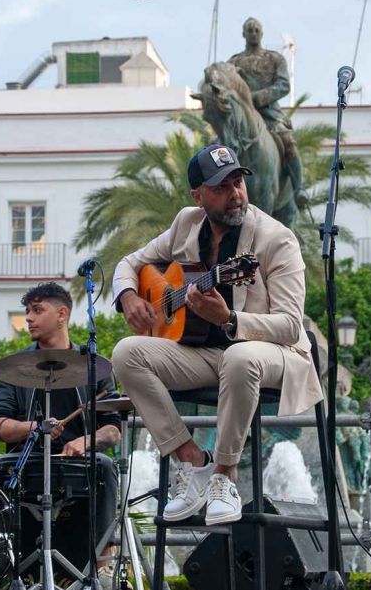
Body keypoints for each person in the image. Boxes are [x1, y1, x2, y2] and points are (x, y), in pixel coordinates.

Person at [109, 143, 322, 525]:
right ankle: (193, 460)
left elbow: (291, 325)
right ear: (198, 196)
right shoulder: (186, 224)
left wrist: (230, 319)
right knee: (126, 353)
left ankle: (225, 477)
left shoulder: (276, 239)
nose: (235, 193)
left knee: (240, 356)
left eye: (238, 182)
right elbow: (129, 263)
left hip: (276, 354)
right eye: (222, 187)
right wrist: (128, 296)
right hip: (208, 356)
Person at [0, 282, 122, 580]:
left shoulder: (94, 366)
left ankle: (103, 566)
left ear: (62, 314)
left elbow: (113, 431)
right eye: (27, 311)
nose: (29, 318)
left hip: (78, 461)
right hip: (27, 462)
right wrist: (35, 428)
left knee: (107, 467)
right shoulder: (15, 368)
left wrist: (87, 441)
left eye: (37, 310)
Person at [228, 17, 305, 206]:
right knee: (216, 144)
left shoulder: (274, 59)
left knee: (288, 142)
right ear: (243, 34)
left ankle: (299, 188)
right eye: (250, 30)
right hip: (242, 117)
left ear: (261, 33)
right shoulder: (234, 62)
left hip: (269, 114)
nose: (253, 33)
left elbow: (283, 85)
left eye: (256, 30)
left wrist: (257, 97)